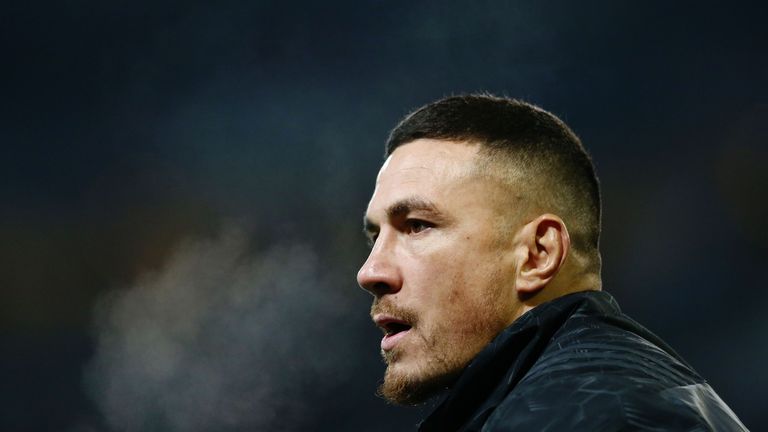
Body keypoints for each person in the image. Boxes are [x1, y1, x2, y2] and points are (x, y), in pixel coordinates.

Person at [356, 94, 747, 431]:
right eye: (376, 236)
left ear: (537, 255)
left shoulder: (581, 415)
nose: (371, 272)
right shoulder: (616, 389)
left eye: (418, 226)